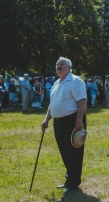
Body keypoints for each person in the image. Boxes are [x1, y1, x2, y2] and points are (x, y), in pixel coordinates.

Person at [41, 57, 87, 194]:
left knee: (73, 153)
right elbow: (52, 104)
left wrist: (79, 121)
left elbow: (82, 101)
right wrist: (46, 119)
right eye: (57, 64)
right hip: (58, 122)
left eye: (62, 64)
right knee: (64, 152)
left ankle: (73, 184)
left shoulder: (75, 81)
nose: (59, 66)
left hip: (72, 121)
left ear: (69, 67)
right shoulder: (56, 83)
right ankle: (69, 179)